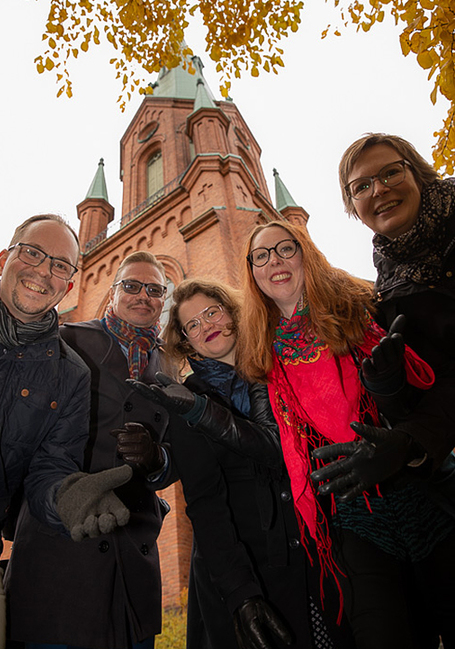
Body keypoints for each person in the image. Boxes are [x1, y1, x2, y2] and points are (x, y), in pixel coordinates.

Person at [237, 219, 455, 649]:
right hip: (351, 509)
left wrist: (391, 388)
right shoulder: (259, 351)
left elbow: (429, 397)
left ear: (306, 253)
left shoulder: (361, 304)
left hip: (418, 486)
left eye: (285, 248)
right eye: (261, 255)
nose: (274, 261)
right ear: (252, 272)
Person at [129, 278, 353, 649]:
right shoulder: (189, 400)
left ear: (234, 311)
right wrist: (240, 594)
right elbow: (204, 505)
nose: (207, 326)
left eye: (212, 312)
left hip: (319, 562)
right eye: (193, 325)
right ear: (186, 341)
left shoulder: (283, 371)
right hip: (246, 571)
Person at [0, 214, 132, 649]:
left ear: (69, 286)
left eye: (60, 265)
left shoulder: (71, 376)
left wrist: (65, 497)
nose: (43, 271)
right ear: (4, 259)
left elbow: (50, 468)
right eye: (33, 253)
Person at [5, 251, 175, 649]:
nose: (143, 296)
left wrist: (159, 460)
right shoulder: (67, 339)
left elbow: (183, 454)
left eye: (155, 290)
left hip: (133, 563)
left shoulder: (171, 364)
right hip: (60, 559)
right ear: (112, 293)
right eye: (131, 286)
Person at [336, 132, 455, 469]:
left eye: (390, 173)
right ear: (355, 209)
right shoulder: (389, 294)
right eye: (361, 187)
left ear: (417, 173)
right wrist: (390, 393)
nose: (378, 189)